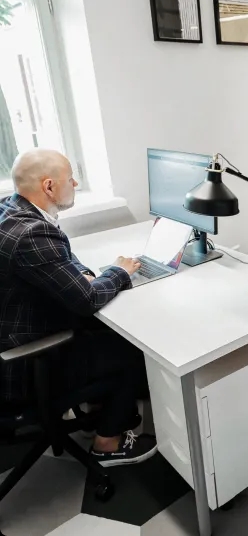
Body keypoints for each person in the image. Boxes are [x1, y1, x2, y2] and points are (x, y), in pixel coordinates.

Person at [0, 149, 157, 466]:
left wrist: (80, 274)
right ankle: (107, 442)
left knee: (100, 330)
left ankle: (99, 407)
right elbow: (86, 301)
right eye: (69, 177)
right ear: (48, 187)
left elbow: (59, 257)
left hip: (13, 333)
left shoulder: (12, 210)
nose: (75, 182)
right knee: (131, 349)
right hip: (23, 366)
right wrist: (120, 271)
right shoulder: (33, 233)